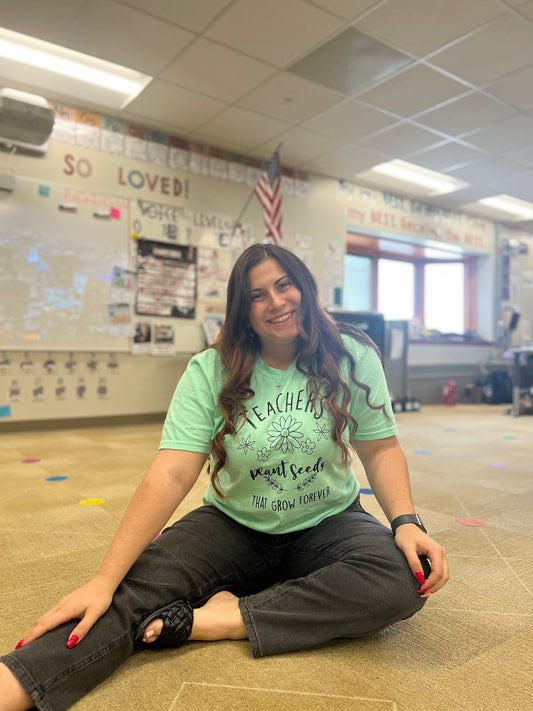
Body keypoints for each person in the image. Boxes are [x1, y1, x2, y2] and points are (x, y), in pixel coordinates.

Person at [0, 244, 448, 710]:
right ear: (242, 310)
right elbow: (171, 473)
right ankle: (15, 683)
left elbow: (380, 448)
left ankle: (225, 618)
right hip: (233, 524)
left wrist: (406, 522)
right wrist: (102, 580)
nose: (276, 302)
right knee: (128, 592)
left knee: (405, 574)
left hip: (328, 519)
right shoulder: (211, 369)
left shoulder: (351, 354)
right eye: (257, 295)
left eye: (284, 285)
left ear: (304, 287)